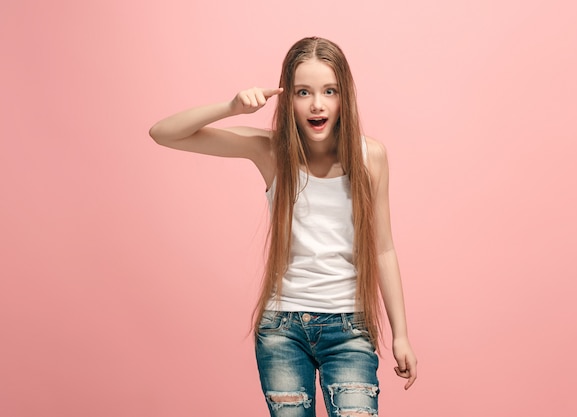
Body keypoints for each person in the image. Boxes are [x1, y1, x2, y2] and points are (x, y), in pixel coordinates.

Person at [149, 36, 417, 417]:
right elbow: (164, 132)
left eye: (329, 91)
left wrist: (401, 335)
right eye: (303, 92)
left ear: (345, 96)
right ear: (287, 98)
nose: (317, 104)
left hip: (351, 329)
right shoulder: (271, 151)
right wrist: (231, 106)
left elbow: (383, 248)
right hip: (282, 330)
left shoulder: (370, 157)